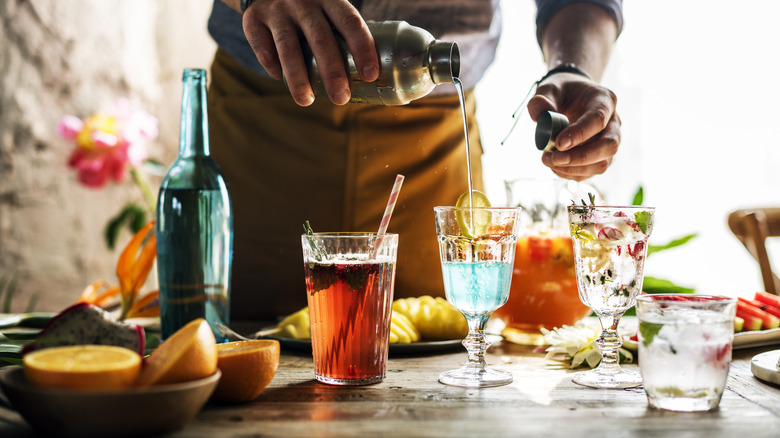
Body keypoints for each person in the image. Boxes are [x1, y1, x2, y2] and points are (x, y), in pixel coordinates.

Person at [207, 0, 623, 321]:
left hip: (433, 131)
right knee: (244, 335)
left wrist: (574, 67)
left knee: (441, 345)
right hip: (266, 117)